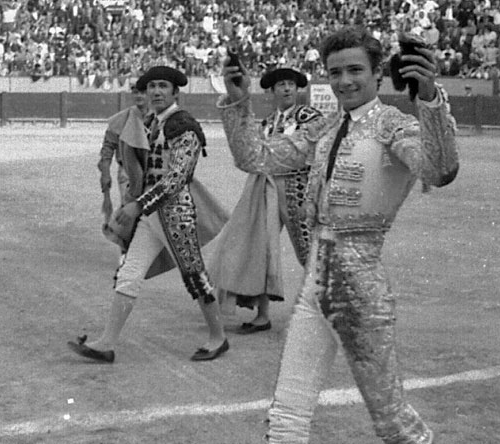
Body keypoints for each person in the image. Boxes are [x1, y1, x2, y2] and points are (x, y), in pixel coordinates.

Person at [218, 26, 459, 444]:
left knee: (392, 420)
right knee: (288, 410)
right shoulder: (327, 127)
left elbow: (438, 170)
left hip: (360, 286)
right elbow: (256, 157)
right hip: (317, 280)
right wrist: (240, 100)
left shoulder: (394, 126)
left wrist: (432, 99)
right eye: (335, 72)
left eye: (354, 70)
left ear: (377, 73)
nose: (344, 81)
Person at [69, 65, 230, 363]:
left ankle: (218, 337)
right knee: (129, 272)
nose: (156, 91)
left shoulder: (184, 125)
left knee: (194, 276)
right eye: (151, 86)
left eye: (163, 87)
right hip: (151, 215)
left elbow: (176, 178)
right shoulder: (155, 122)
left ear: (175, 92)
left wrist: (137, 205)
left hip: (176, 215)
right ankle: (106, 342)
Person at [206, 67, 323, 333]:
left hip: (299, 189)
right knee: (261, 248)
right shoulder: (268, 122)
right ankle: (262, 314)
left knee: (309, 251)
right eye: (281, 84)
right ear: (271, 91)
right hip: (267, 187)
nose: (287, 89)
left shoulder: (308, 116)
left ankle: (320, 311)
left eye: (291, 84)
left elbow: (307, 154)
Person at [97, 83, 149, 247]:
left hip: (153, 170)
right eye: (136, 92)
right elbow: (107, 149)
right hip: (127, 172)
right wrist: (105, 173)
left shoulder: (157, 118)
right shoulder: (122, 118)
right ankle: (128, 249)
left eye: (143, 92)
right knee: (130, 211)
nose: (139, 96)